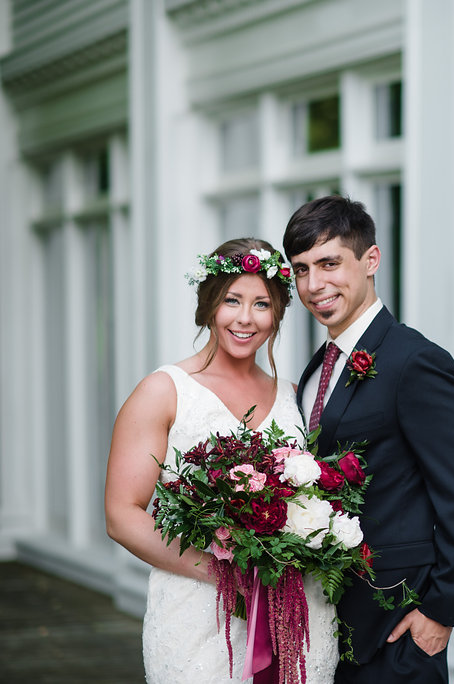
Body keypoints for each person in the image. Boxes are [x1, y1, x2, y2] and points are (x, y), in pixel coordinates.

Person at [283, 196, 454, 684]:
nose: (313, 285)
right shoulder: (318, 368)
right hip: (330, 622)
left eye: (329, 263)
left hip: (397, 625)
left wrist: (441, 611)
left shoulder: (415, 361)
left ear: (371, 260)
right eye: (301, 270)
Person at [104, 238, 339, 684]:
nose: (245, 318)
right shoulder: (164, 391)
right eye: (232, 300)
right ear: (209, 303)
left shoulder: (295, 397)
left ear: (277, 314)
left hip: (294, 612)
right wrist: (224, 575)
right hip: (198, 616)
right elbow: (121, 516)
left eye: (261, 304)